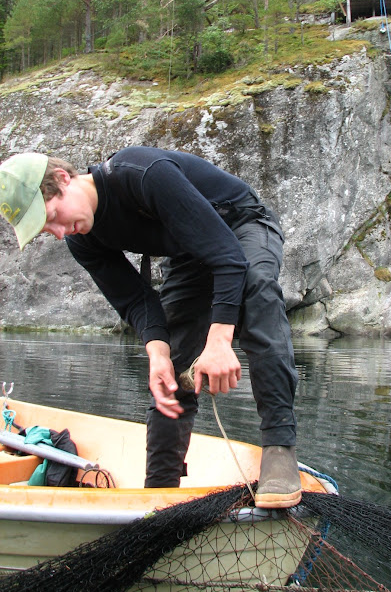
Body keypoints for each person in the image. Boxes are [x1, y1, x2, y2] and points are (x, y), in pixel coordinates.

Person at [0, 147, 301, 508]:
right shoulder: (83, 239)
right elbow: (135, 300)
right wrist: (157, 351)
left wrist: (220, 340)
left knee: (256, 289)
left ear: (64, 179)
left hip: (241, 226)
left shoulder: (141, 173)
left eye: (52, 217)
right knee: (170, 365)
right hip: (190, 253)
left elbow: (229, 257)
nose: (59, 233)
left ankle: (280, 448)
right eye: (46, 230)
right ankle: (159, 489)